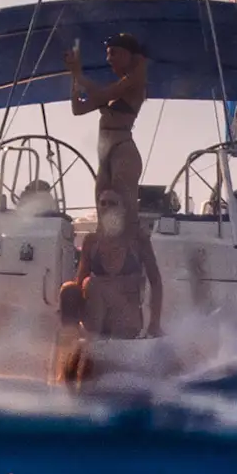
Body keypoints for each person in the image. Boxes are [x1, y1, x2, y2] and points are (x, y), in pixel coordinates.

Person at [59, 30, 165, 349]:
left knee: (125, 215)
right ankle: (89, 311)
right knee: (104, 214)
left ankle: (130, 269)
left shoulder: (136, 78)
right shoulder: (117, 85)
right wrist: (72, 80)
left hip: (121, 149)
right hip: (104, 152)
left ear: (131, 55)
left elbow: (103, 94)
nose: (109, 58)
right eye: (107, 54)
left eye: (114, 53)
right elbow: (78, 108)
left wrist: (79, 74)